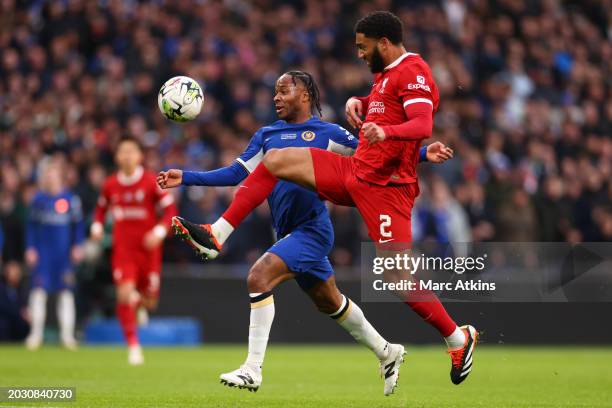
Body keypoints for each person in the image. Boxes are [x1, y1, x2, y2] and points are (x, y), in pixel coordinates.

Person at [167, 11, 478, 385]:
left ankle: (458, 338)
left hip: (386, 189)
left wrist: (393, 135)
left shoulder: (414, 71)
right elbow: (382, 109)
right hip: (355, 173)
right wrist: (358, 100)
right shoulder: (383, 76)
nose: (359, 55)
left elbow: (422, 125)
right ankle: (217, 233)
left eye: (363, 48)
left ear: (383, 43)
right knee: (277, 160)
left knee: (397, 276)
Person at [91, 137, 177, 365]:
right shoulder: (110, 185)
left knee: (150, 302)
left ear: (140, 156)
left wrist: (159, 232)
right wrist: (97, 226)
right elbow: (100, 210)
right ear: (117, 157)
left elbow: (170, 211)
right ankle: (133, 345)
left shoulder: (151, 182)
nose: (127, 156)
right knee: (123, 293)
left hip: (149, 251)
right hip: (124, 250)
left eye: (131, 151)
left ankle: (140, 302)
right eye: (123, 151)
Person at [24, 159, 84, 350]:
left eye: (54, 174)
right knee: (38, 293)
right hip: (43, 255)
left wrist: (78, 246)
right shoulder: (38, 200)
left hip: (63, 255)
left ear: (60, 177)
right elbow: (31, 227)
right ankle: (35, 335)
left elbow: (78, 227)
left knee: (65, 294)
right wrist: (30, 248)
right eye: (47, 174)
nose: (50, 178)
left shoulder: (71, 200)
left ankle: (67, 336)